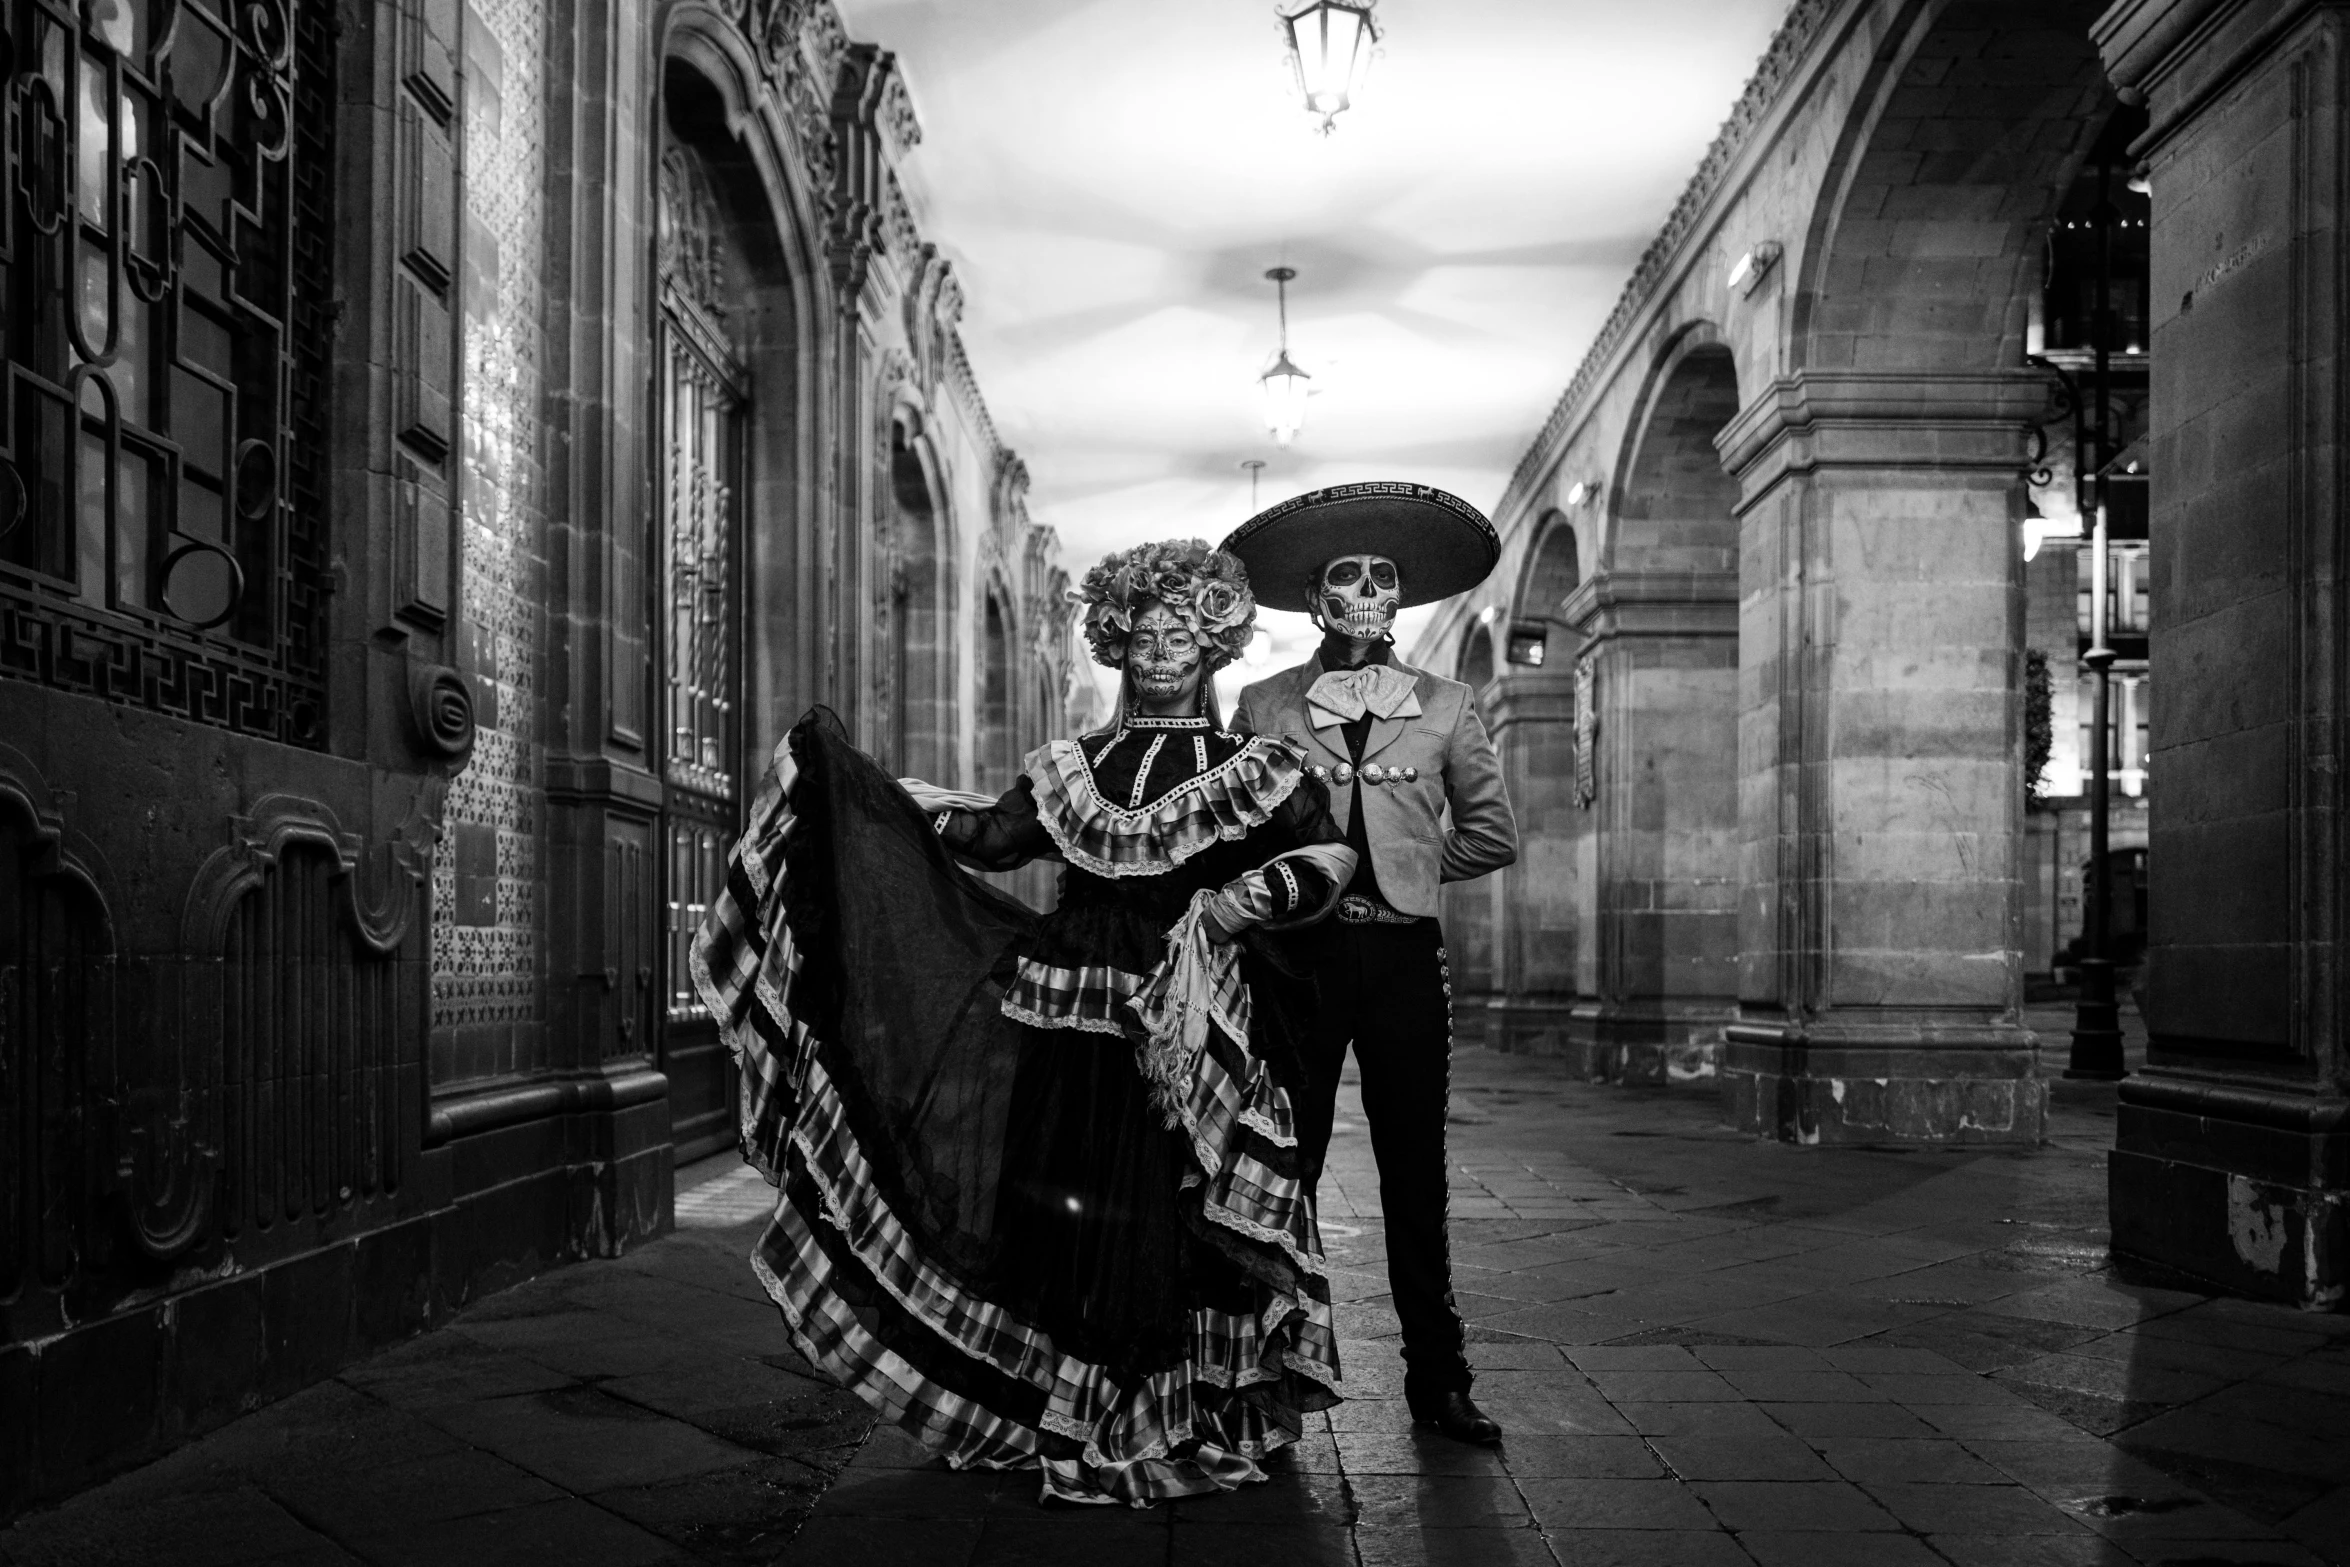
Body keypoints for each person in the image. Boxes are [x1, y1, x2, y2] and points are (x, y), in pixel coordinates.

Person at [691, 538, 1357, 1507]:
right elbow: (992, 838)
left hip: (1190, 1015)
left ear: (1216, 643)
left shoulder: (1258, 765)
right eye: (1140, 631)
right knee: (1063, 1200)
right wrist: (871, 798)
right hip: (1069, 1013)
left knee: (1177, 1206)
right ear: (1113, 641)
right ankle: (1068, 1401)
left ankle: (1193, 1406)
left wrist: (1247, 897)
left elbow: (1326, 855)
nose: (1160, 648)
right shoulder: (1070, 766)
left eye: (1181, 631)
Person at [1223, 482, 1518, 1446]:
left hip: (1400, 956)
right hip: (1298, 961)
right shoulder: (1263, 702)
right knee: (1287, 1162)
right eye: (1346, 575)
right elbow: (1233, 833)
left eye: (1381, 576)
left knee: (1413, 1168)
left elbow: (1493, 833)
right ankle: (1267, 1377)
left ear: (1401, 597)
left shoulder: (1447, 703)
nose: (1365, 590)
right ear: (1316, 595)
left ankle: (1439, 1379)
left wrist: (1409, 872)